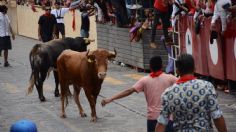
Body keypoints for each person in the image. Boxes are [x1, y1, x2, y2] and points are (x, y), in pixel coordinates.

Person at [101, 56, 178, 132]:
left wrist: (110, 99)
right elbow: (184, 83)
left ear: (150, 67)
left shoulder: (145, 80)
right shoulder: (170, 78)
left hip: (152, 119)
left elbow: (129, 91)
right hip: (167, 118)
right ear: (162, 66)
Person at [155, 54, 227, 132]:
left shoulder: (168, 94)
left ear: (177, 71)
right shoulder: (207, 87)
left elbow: (161, 123)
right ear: (194, 69)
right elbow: (217, 116)